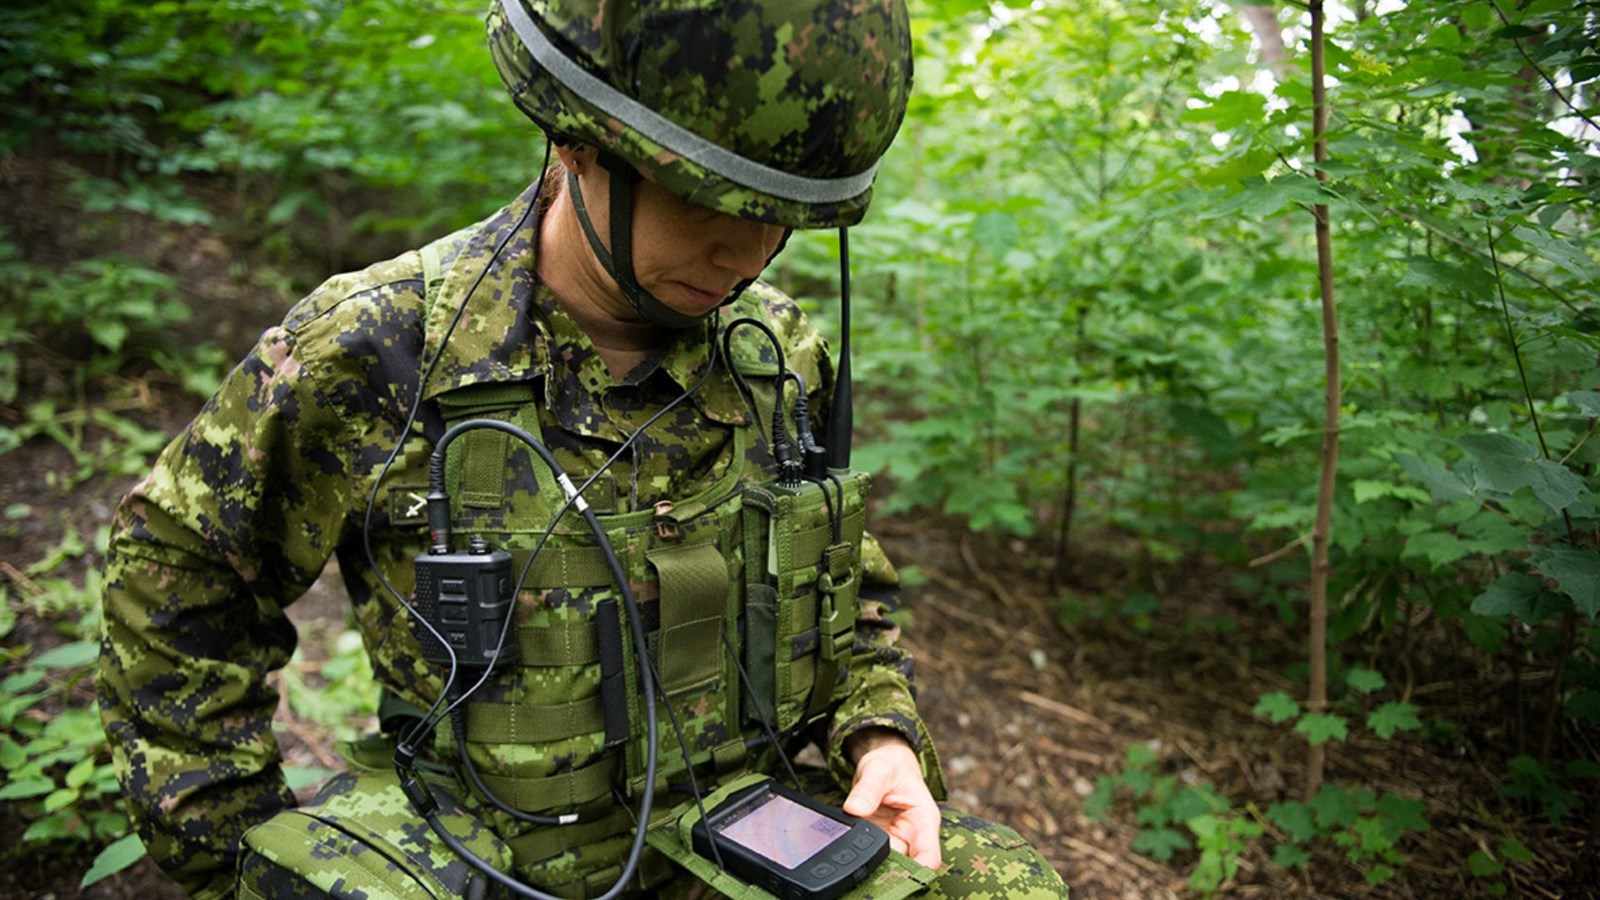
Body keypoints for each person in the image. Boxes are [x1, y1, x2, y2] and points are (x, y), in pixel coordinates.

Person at [97, 0, 1071, 897]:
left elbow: (848, 599)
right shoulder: (379, 346)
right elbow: (179, 577)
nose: (746, 254)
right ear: (577, 143)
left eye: (782, 219)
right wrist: (236, 849)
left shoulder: (775, 354)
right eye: (707, 202)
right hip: (482, 849)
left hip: (736, 833)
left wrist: (880, 738)